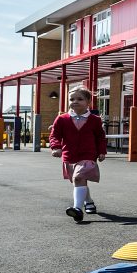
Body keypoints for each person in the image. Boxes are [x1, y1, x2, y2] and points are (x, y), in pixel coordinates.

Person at [49, 88, 108, 223]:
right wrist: (56, 147)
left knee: (79, 177)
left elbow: (100, 137)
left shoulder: (95, 120)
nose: (75, 102)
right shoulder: (62, 119)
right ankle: (89, 202)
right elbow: (55, 135)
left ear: (88, 102)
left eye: (79, 99)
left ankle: (77, 209)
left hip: (88, 154)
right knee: (79, 180)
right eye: (72, 99)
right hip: (69, 156)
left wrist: (101, 151)